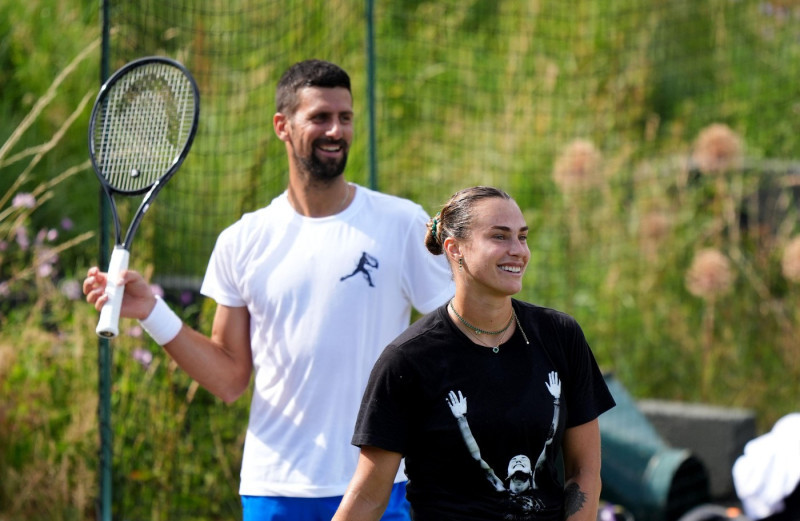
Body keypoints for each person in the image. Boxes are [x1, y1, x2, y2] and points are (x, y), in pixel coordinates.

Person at [82, 59, 454, 521]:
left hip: (380, 486)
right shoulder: (242, 240)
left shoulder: (401, 223)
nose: (335, 130)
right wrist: (150, 310)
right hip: (274, 488)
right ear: (282, 125)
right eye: (320, 117)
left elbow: (460, 329)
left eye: (345, 117)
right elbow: (229, 377)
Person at [332, 186, 616, 521]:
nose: (518, 251)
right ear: (455, 250)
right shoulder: (408, 361)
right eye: (499, 237)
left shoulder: (561, 336)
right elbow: (367, 496)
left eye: (522, 237)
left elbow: (584, 472)